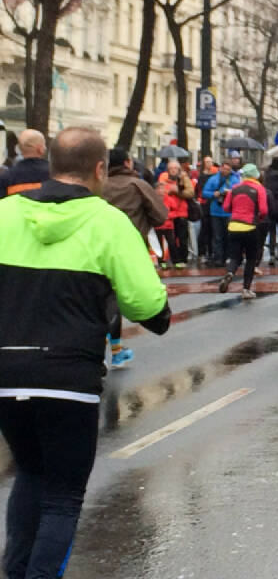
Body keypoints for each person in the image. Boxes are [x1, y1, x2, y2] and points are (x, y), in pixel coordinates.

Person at [0, 128, 169, 579]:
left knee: (30, 476)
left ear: (51, 163)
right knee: (62, 496)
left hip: (7, 370)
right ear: (98, 169)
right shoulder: (108, 221)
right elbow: (148, 305)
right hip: (68, 378)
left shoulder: (5, 213)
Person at [102, 147, 169, 368]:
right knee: (118, 299)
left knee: (102, 297)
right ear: (128, 163)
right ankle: (108, 351)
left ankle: (113, 349)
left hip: (97, 247)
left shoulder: (98, 186)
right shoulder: (137, 185)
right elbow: (160, 216)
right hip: (131, 248)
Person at [218, 163, 268, 299]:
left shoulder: (234, 188)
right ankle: (246, 289)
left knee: (235, 256)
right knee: (251, 259)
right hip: (250, 227)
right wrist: (259, 217)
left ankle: (229, 273)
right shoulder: (259, 188)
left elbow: (226, 208)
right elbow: (264, 210)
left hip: (233, 226)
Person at [156, 159, 194, 269]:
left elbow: (190, 193)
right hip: (168, 215)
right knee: (171, 240)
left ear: (179, 169)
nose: (173, 170)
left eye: (175, 168)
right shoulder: (163, 178)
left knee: (182, 238)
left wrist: (177, 191)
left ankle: (182, 259)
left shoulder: (184, 178)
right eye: (171, 168)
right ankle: (171, 259)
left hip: (181, 212)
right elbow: (159, 190)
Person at [202, 161, 240, 266]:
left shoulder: (234, 179)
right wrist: (214, 194)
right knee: (217, 237)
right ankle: (218, 258)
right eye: (224, 169)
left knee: (229, 236)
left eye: (228, 169)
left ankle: (228, 257)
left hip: (229, 213)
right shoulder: (213, 179)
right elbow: (204, 193)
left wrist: (230, 192)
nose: (225, 171)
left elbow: (239, 192)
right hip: (215, 212)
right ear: (220, 168)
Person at [0, 129, 49, 198]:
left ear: (19, 148)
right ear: (40, 149)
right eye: (44, 145)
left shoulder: (6, 177)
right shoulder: (54, 174)